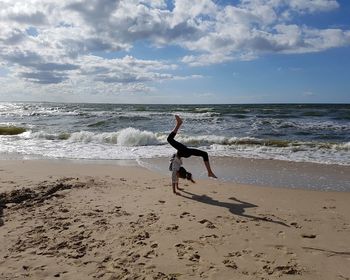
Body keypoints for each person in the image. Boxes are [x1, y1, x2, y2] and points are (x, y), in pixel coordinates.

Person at [167, 115, 217, 194]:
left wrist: (177, 188)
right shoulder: (175, 169)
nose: (177, 177)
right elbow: (174, 179)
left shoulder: (176, 169)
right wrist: (174, 190)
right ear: (179, 173)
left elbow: (175, 178)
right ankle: (179, 124)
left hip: (185, 153)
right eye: (178, 176)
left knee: (204, 154)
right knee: (169, 139)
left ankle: (210, 172)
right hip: (183, 152)